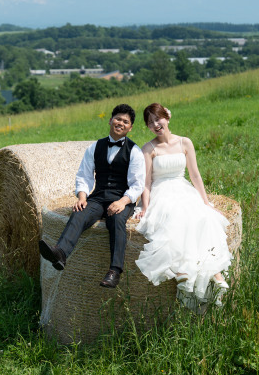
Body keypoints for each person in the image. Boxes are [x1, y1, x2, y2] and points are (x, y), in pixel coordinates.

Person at [134, 102, 232, 306]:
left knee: (203, 217)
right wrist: (144, 207)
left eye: (157, 119)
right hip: (162, 192)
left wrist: (206, 202)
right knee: (175, 216)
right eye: (150, 122)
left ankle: (215, 274)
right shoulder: (148, 148)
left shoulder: (184, 143)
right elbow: (146, 182)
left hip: (183, 188)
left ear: (167, 118)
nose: (155, 124)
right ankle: (183, 272)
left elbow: (195, 175)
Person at [39, 104, 146, 288]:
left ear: (130, 127)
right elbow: (84, 175)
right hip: (98, 197)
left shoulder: (135, 151)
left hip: (122, 199)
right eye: (118, 118)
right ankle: (60, 253)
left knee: (117, 219)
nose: (120, 122)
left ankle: (115, 271)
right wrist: (82, 196)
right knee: (80, 212)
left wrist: (122, 202)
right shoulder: (95, 147)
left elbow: (137, 184)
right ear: (110, 120)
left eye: (125, 121)